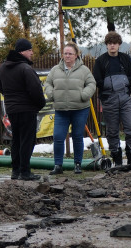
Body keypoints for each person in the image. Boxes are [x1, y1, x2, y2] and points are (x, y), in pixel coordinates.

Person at [43, 42, 96, 175]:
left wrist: (84, 95)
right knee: (58, 137)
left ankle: (77, 164)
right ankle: (58, 165)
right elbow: (47, 83)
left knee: (77, 136)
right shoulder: (55, 70)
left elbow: (91, 83)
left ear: (76, 55)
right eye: (65, 53)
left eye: (70, 54)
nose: (67, 56)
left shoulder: (84, 70)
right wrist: (51, 94)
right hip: (61, 110)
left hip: (80, 109)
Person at [0, 38, 46, 181]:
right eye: (29, 50)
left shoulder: (2, 68)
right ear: (22, 52)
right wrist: (39, 105)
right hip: (27, 109)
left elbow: (2, 89)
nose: (32, 52)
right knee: (27, 141)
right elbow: (36, 90)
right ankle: (25, 172)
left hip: (12, 109)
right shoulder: (25, 68)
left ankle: (15, 171)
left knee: (16, 140)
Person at [91, 31, 131, 167]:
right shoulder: (100, 61)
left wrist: (123, 82)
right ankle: (116, 158)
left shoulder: (125, 59)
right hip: (109, 99)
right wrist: (110, 84)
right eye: (110, 43)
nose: (112, 46)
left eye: (115, 43)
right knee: (112, 131)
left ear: (119, 45)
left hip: (125, 97)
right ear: (106, 45)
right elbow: (97, 80)